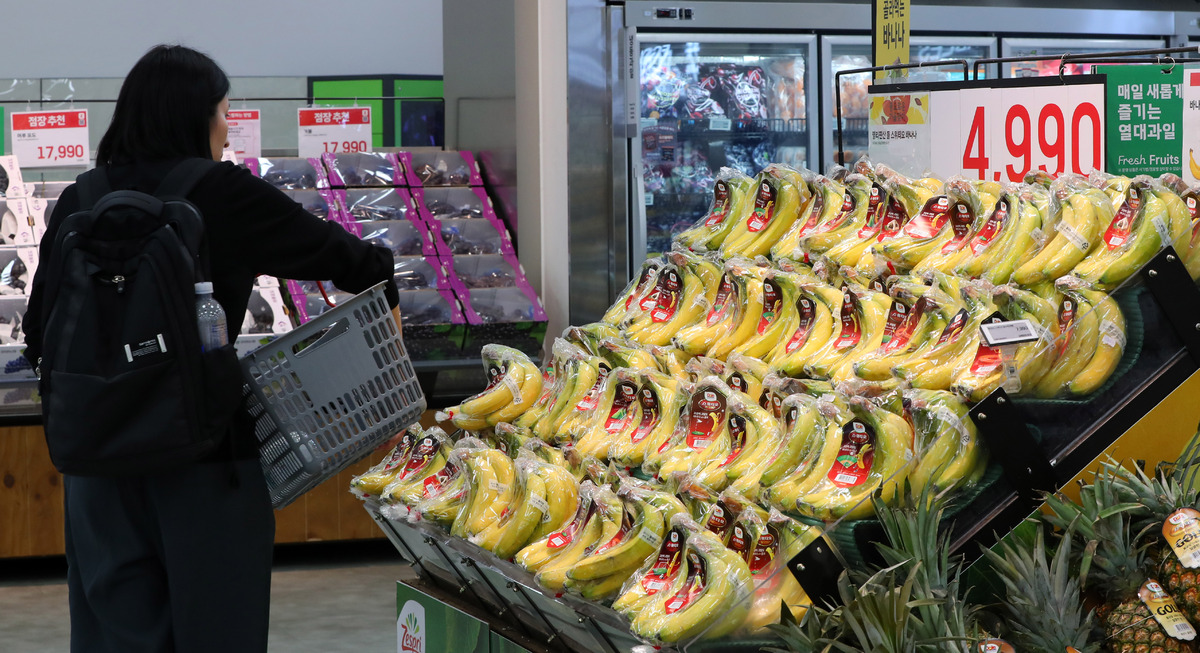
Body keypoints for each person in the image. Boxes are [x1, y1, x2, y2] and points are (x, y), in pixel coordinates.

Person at [22, 44, 399, 653]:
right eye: (224, 112)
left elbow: (39, 331)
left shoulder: (79, 200)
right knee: (218, 631)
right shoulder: (221, 192)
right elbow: (351, 261)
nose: (228, 128)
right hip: (205, 459)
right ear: (196, 116)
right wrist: (388, 294)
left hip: (95, 465)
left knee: (113, 635)